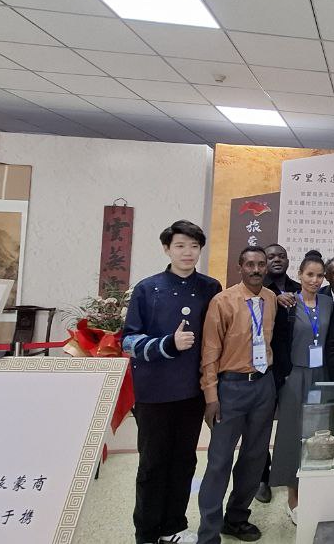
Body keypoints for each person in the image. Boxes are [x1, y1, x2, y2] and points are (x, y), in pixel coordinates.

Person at [122, 220, 222, 544]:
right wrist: (168, 344)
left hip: (191, 392)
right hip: (154, 392)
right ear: (167, 249)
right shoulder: (147, 289)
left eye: (194, 246)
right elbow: (128, 341)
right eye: (180, 246)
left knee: (184, 461)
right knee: (153, 464)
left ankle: (173, 526)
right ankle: (147, 533)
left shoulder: (210, 288)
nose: (187, 252)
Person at [196, 246, 285, 544]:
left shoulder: (270, 299)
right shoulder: (223, 302)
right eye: (250, 264)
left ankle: (236, 519)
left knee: (254, 458)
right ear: (240, 267)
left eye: (261, 264)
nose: (256, 269)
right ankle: (208, 533)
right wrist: (211, 395)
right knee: (219, 461)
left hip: (263, 385)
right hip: (230, 388)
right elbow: (210, 352)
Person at [270, 256, 333, 524]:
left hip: (321, 375)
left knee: (318, 431)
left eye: (320, 276)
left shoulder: (328, 303)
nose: (315, 281)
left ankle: (315, 487)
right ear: (300, 274)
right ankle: (292, 496)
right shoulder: (288, 303)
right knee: (292, 434)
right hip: (295, 375)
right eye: (310, 275)